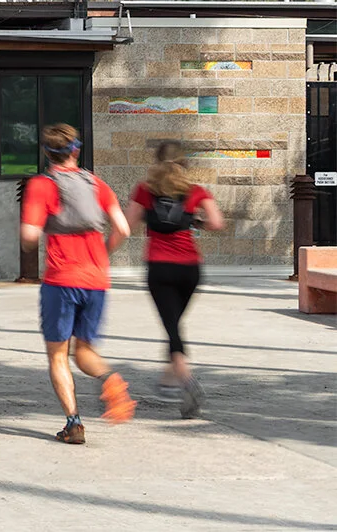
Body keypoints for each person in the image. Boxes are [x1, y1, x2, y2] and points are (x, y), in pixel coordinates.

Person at [19, 122, 135, 444]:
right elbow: (123, 229)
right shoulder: (97, 184)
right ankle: (111, 379)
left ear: (47, 153)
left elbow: (29, 236)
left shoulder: (42, 186)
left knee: (58, 355)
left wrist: (34, 237)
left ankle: (73, 423)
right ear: (76, 150)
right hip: (97, 279)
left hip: (61, 280)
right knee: (85, 352)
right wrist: (103, 252)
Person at [127, 141, 225, 417]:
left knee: (172, 328)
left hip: (160, 268)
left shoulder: (145, 191)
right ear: (185, 163)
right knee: (174, 323)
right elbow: (217, 223)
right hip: (190, 269)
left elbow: (126, 223)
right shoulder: (196, 192)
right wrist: (195, 222)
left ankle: (185, 379)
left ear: (156, 162)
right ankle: (168, 378)